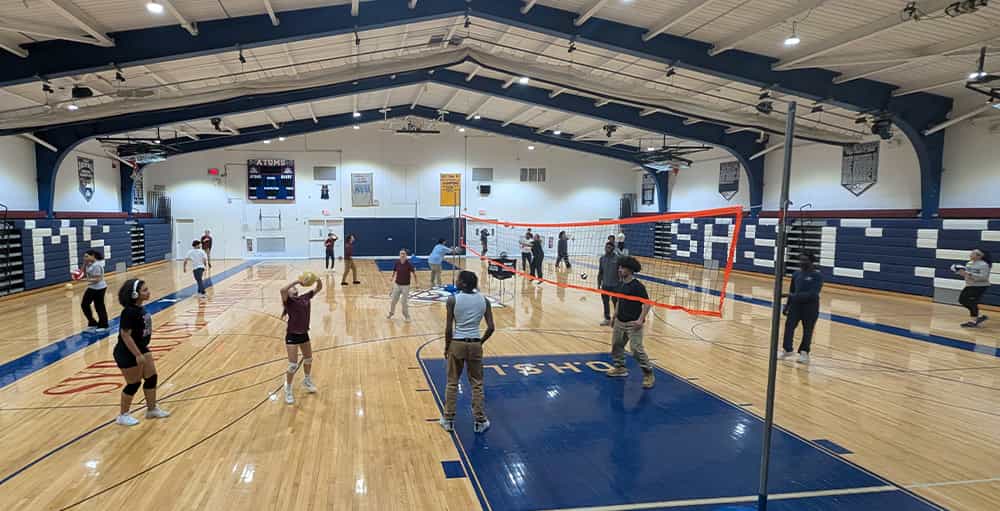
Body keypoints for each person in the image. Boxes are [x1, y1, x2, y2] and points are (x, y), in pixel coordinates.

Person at [440, 270, 495, 434]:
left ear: (463, 283)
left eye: (458, 280)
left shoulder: (452, 300)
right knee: (476, 383)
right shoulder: (484, 300)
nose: (456, 281)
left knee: (452, 382)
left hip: (457, 343)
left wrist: (447, 346)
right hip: (475, 344)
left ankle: (448, 420)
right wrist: (480, 341)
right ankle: (479, 421)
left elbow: (449, 328)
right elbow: (491, 328)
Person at [113, 279, 170, 426]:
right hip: (127, 352)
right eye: (144, 290)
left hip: (142, 347)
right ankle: (123, 415)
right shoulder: (129, 312)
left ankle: (151, 409)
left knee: (151, 377)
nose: (148, 292)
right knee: (134, 383)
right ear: (134, 294)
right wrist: (137, 355)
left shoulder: (139, 308)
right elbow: (125, 335)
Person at [606, 256, 654, 389]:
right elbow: (619, 301)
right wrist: (614, 316)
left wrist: (640, 320)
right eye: (619, 267)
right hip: (620, 321)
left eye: (622, 268)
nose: (619, 270)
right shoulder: (621, 284)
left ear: (630, 270)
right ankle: (620, 368)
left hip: (633, 323)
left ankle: (648, 373)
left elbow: (647, 304)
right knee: (616, 345)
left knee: (636, 349)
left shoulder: (638, 286)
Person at [280, 276, 323, 404]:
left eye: (295, 287)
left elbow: (319, 288)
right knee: (293, 365)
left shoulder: (305, 297)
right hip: (292, 336)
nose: (293, 288)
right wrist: (297, 281)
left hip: (304, 334)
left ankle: (307, 380)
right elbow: (282, 290)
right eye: (291, 288)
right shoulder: (288, 302)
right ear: (289, 293)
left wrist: (317, 278)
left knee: (309, 359)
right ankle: (288, 388)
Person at [779, 253, 823, 364]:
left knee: (807, 329)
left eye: (805, 260)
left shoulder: (817, 276)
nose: (802, 262)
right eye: (801, 260)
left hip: (810, 307)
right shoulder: (796, 274)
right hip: (795, 306)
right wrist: (787, 305)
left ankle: (804, 353)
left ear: (811, 261)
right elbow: (792, 290)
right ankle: (787, 349)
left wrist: (791, 296)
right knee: (789, 326)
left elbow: (813, 294)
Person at [956, 248, 992, 328]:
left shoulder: (984, 265)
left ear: (979, 256)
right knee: (962, 300)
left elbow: (984, 277)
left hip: (980, 286)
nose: (971, 254)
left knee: (971, 302)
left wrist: (969, 274)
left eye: (973, 253)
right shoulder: (969, 263)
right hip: (970, 285)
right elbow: (967, 275)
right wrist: (960, 272)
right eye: (971, 253)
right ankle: (978, 316)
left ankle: (974, 320)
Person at [80, 249, 109, 331]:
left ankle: (103, 325)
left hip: (99, 288)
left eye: (86, 256)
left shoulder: (96, 265)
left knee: (99, 306)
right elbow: (82, 273)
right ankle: (92, 322)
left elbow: (97, 279)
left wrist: (83, 280)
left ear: (92, 256)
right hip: (92, 287)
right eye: (84, 256)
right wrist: (84, 264)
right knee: (85, 304)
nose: (84, 258)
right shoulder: (89, 264)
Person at [389, 250, 417, 321]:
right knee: (393, 300)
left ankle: (407, 316)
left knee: (404, 302)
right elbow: (394, 271)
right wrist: (392, 277)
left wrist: (417, 283)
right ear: (399, 255)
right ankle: (391, 313)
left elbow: (414, 274)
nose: (402, 255)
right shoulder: (397, 263)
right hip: (397, 284)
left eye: (404, 254)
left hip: (406, 286)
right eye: (401, 254)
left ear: (406, 255)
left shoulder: (409, 264)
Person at [597, 242, 620, 327]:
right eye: (606, 247)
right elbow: (600, 272)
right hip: (605, 285)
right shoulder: (602, 258)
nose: (607, 249)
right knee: (605, 302)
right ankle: (607, 319)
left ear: (613, 249)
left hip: (615, 286)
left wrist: (621, 284)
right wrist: (598, 284)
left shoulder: (617, 258)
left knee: (616, 303)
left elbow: (621, 272)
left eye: (609, 248)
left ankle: (617, 320)